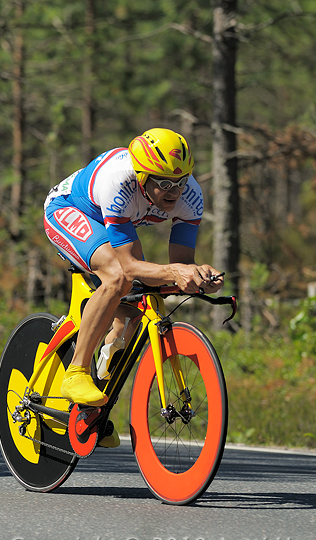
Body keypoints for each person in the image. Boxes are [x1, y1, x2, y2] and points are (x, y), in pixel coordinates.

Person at [43, 128, 224, 447]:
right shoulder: (119, 181)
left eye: (181, 182)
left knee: (132, 312)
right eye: (164, 183)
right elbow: (127, 266)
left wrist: (199, 276)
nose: (174, 191)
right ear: (142, 177)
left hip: (113, 222)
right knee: (117, 277)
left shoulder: (191, 197)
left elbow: (178, 265)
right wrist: (174, 271)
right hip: (69, 210)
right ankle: (76, 371)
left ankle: (89, 409)